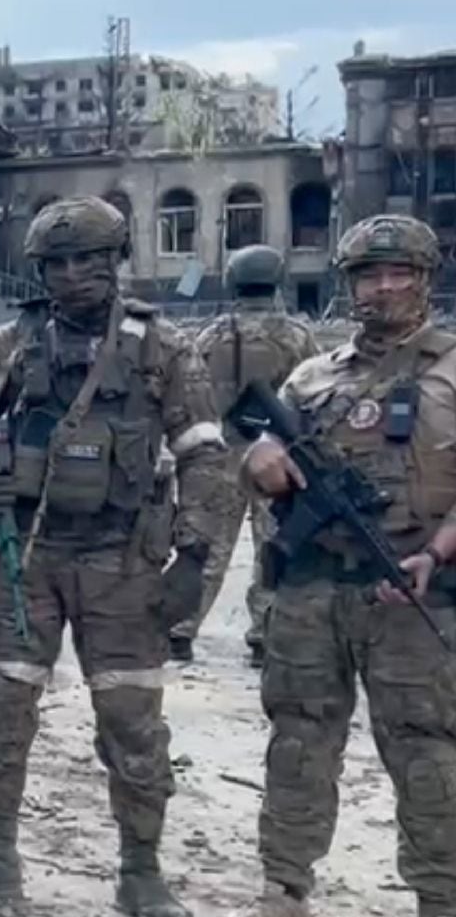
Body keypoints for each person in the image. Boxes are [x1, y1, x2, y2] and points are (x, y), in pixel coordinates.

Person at [0, 195, 232, 917]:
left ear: (116, 260)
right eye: (57, 263)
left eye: (88, 259)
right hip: (23, 556)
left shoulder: (164, 350)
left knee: (132, 720)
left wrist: (194, 555)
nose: (72, 275)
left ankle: (141, 872)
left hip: (123, 559)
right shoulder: (9, 346)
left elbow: (204, 456)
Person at [212, 214, 456, 917]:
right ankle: (285, 890)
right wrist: (261, 459)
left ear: (425, 278)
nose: (384, 288)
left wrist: (433, 554)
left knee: (427, 751)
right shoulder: (311, 378)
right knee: (298, 740)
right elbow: (251, 455)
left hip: (411, 591)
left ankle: (443, 912)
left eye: (399, 272)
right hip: (312, 590)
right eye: (369, 275)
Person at [168, 245, 317, 665]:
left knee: (210, 547)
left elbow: (188, 388)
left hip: (222, 452)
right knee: (273, 545)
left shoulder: (211, 334)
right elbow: (313, 392)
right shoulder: (297, 335)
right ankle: (264, 635)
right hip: (277, 455)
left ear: (233, 280)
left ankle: (181, 630)